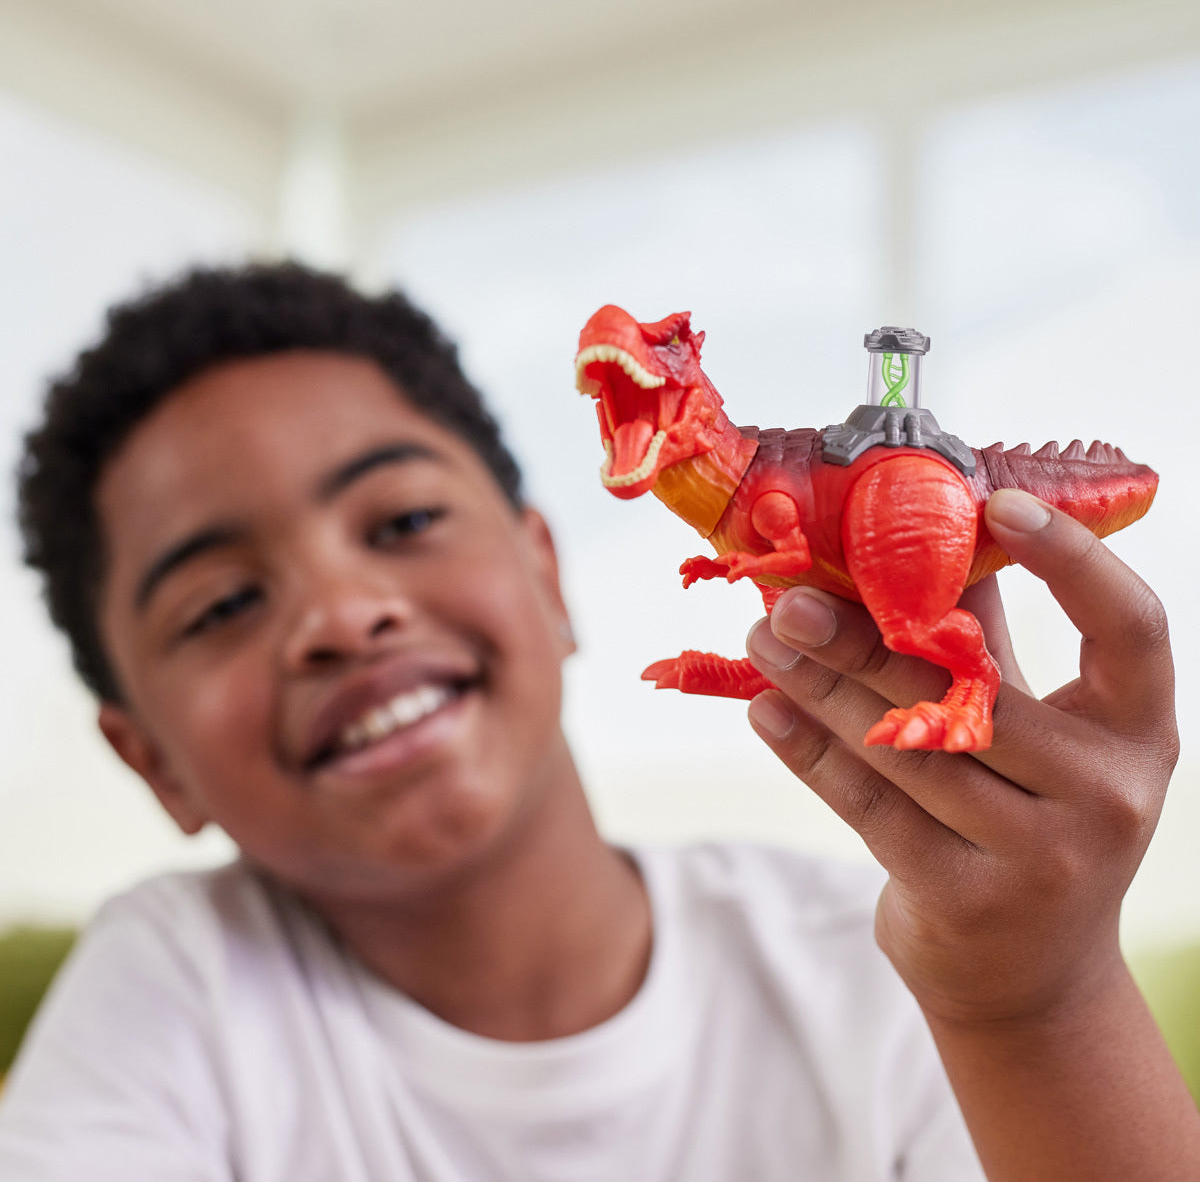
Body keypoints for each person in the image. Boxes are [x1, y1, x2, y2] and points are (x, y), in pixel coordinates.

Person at [0, 262, 1195, 1180]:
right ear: (152, 761)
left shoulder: (888, 967)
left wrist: (1034, 998)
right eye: (221, 605)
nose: (343, 616)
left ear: (547, 574)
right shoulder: (173, 979)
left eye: (403, 523)